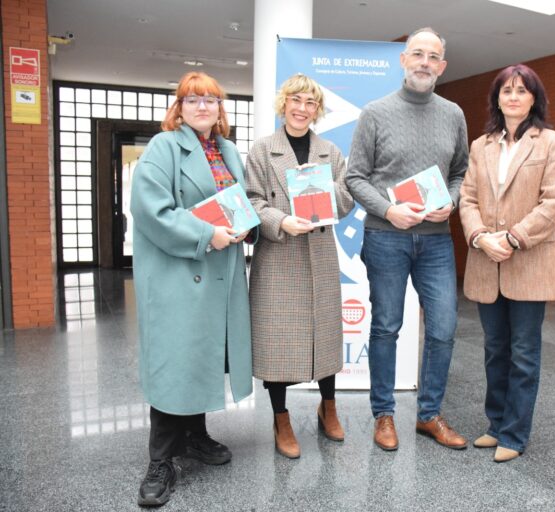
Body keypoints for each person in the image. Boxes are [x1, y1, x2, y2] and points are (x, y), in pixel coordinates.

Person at [130, 71, 253, 506]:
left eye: (211, 99)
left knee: (203, 355)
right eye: (193, 99)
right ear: (178, 107)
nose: (203, 106)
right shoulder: (163, 147)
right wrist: (207, 236)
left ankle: (195, 436)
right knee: (175, 360)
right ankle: (160, 460)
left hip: (219, 270)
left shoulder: (229, 150)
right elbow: (151, 211)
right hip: (179, 271)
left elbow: (240, 202)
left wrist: (246, 227)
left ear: (221, 108)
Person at [345, 27, 469, 451]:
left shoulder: (453, 114)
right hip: (386, 237)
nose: (424, 62)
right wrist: (387, 210)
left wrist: (450, 201)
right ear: (403, 60)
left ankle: (429, 415)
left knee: (444, 328)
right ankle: (384, 415)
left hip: (435, 240)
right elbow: (355, 177)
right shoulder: (375, 112)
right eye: (417, 54)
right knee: (386, 327)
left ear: (442, 66)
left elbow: (459, 172)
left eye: (433, 57)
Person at [459, 64, 555, 463]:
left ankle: (515, 434)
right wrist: (479, 236)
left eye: (522, 90)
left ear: (534, 98)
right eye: (507, 90)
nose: (514, 97)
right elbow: (467, 198)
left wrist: (511, 238)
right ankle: (495, 424)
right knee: (494, 350)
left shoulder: (552, 143)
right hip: (487, 261)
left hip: (529, 262)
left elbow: (553, 203)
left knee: (523, 353)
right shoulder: (480, 145)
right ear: (497, 99)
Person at [245, 74, 354, 459]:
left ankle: (329, 407)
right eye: (296, 100)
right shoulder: (262, 150)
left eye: (311, 102)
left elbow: (347, 195)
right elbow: (252, 201)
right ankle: (281, 417)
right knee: (278, 340)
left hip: (320, 253)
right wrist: (279, 220)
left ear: (318, 110)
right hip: (279, 257)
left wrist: (329, 199)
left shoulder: (330, 151)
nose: (302, 108)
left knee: (323, 334)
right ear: (284, 103)